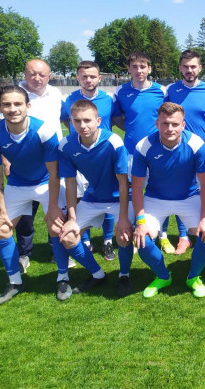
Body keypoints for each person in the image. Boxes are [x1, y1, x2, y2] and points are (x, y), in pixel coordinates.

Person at [0, 85, 67, 304]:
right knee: (1, 229)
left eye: (18, 103)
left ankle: (63, 277)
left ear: (28, 106)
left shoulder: (44, 130)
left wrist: (54, 207)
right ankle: (15, 282)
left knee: (57, 227)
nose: (13, 109)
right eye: (7, 104)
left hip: (46, 183)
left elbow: (54, 173)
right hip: (17, 184)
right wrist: (2, 212)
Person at [131, 103, 205, 298]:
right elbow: (136, 187)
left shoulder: (196, 144)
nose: (169, 128)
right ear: (157, 124)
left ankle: (193, 277)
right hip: (155, 198)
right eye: (165, 123)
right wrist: (140, 221)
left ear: (183, 125)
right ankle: (163, 276)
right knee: (142, 238)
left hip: (189, 197)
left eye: (175, 124)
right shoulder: (144, 146)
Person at [58, 100, 134, 298]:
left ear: (98, 121)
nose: (82, 125)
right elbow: (70, 183)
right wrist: (71, 218)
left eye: (87, 120)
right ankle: (98, 275)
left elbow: (123, 183)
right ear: (71, 122)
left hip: (119, 199)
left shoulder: (113, 142)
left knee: (124, 236)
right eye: (77, 121)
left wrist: (123, 218)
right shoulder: (66, 145)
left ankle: (124, 276)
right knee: (68, 237)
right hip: (92, 198)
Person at [2, 59, 64, 273]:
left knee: (55, 207)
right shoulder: (14, 95)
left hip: (54, 159)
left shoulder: (56, 93)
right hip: (24, 162)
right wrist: (6, 160)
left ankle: (56, 250)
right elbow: (2, 129)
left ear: (49, 76)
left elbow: (64, 119)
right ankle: (24, 253)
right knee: (25, 214)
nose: (37, 78)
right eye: (32, 73)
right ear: (24, 74)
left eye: (42, 74)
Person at [111, 52, 171, 254]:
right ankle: (134, 231)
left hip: (157, 152)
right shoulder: (121, 91)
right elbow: (118, 119)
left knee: (161, 192)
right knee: (131, 193)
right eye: (135, 67)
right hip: (131, 152)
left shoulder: (161, 91)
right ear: (129, 69)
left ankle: (163, 235)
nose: (139, 70)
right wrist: (131, 130)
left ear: (149, 69)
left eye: (143, 66)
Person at [164, 49, 205, 254]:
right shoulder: (170, 90)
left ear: (200, 68)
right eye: (185, 67)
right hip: (179, 147)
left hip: (204, 146)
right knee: (182, 189)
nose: (189, 70)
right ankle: (183, 237)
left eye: (193, 66)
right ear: (180, 68)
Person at [61, 60, 116, 260]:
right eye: (84, 76)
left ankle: (108, 240)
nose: (88, 80)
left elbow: (116, 120)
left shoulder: (109, 99)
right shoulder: (68, 99)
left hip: (104, 156)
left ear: (99, 78)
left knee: (109, 197)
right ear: (78, 78)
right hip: (79, 157)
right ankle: (85, 239)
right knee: (79, 197)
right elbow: (64, 120)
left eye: (92, 76)